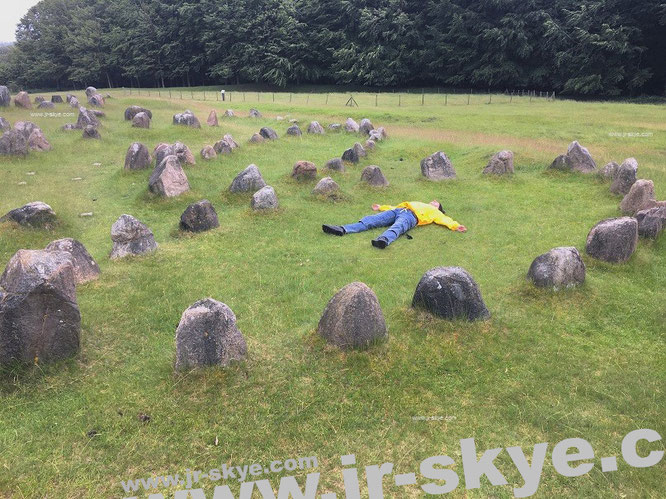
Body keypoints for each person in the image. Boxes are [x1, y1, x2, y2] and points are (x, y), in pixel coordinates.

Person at [322, 200, 466, 249]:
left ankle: (383, 240)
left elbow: (446, 220)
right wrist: (381, 207)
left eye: (436, 202)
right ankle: (342, 229)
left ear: (438, 207)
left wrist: (455, 226)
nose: (433, 201)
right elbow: (394, 206)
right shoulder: (419, 202)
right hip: (399, 210)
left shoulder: (436, 212)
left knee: (398, 227)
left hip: (412, 217)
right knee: (371, 220)